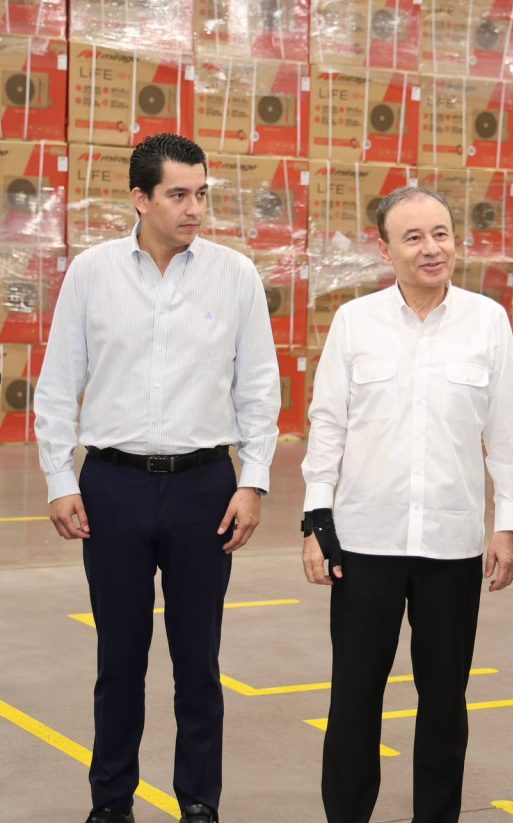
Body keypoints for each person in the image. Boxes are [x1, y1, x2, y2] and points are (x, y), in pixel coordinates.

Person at [34, 133, 281, 823]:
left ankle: (199, 802)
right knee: (119, 661)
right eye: (178, 194)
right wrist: (59, 477)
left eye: (201, 193)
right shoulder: (92, 273)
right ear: (139, 198)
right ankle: (110, 804)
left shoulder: (235, 275)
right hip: (113, 487)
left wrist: (253, 480)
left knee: (199, 663)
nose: (194, 207)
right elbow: (57, 383)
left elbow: (259, 387)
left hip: (205, 488)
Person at [300, 186, 513, 823]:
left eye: (441, 234)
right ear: (385, 250)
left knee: (445, 703)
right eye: (414, 237)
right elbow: (328, 426)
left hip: (451, 546)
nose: (432, 249)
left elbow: (508, 432)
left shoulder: (487, 321)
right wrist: (316, 520)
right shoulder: (355, 322)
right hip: (363, 543)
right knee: (354, 699)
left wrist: (508, 524)